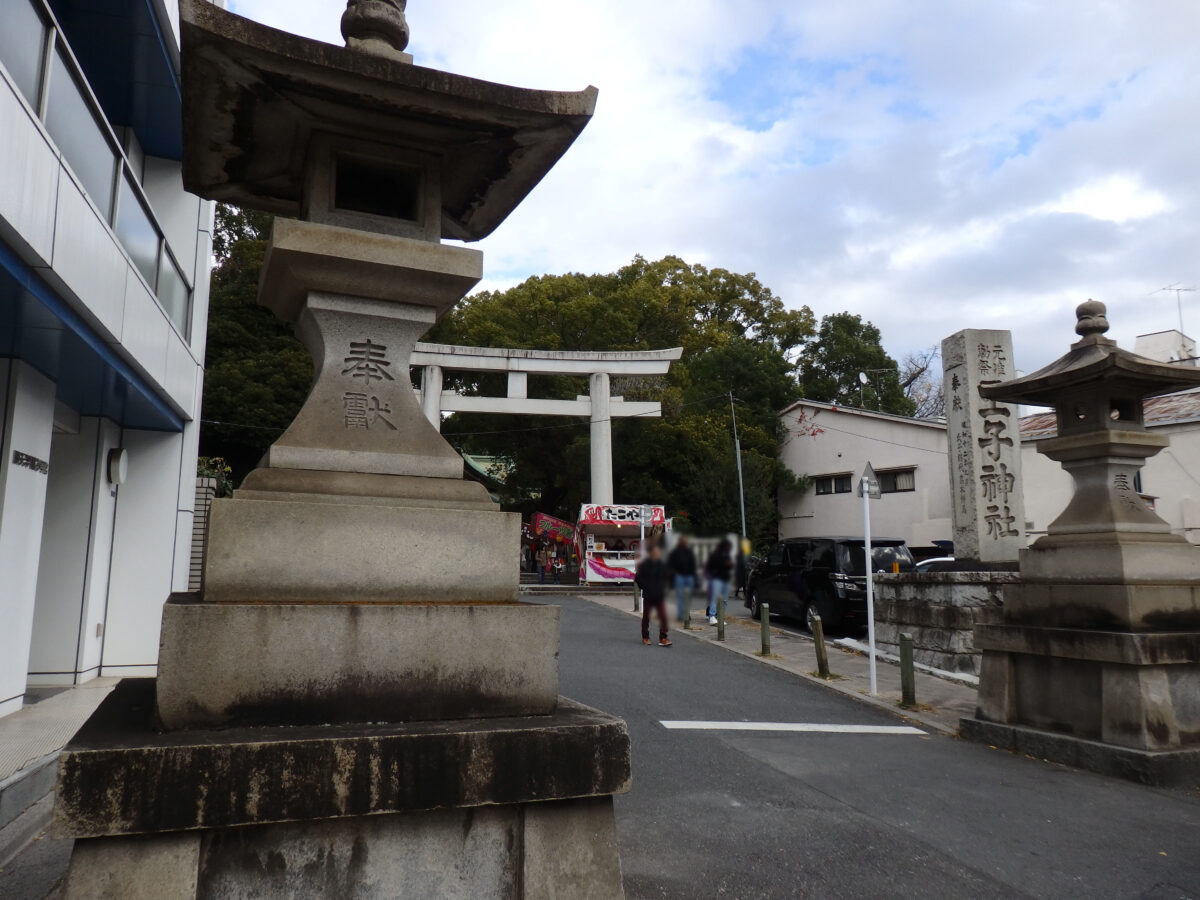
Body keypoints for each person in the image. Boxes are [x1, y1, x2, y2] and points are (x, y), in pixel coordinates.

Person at [636, 542, 671, 646]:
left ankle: (663, 638)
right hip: (648, 595)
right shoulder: (644, 565)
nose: (657, 553)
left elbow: (667, 576)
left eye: (658, 552)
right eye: (655, 552)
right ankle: (645, 637)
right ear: (651, 553)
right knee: (646, 616)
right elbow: (637, 578)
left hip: (659, 594)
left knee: (663, 616)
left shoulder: (662, 564)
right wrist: (646, 587)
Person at [666, 536, 698, 622]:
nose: (684, 543)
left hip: (689, 576)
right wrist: (674, 573)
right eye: (682, 541)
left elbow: (693, 564)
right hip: (679, 576)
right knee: (680, 596)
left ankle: (686, 613)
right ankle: (681, 615)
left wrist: (694, 576)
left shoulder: (689, 552)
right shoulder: (674, 553)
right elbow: (670, 565)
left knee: (688, 597)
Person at [705, 538, 734, 626]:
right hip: (716, 578)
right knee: (714, 597)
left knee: (724, 599)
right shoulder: (715, 555)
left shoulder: (727, 555)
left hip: (725, 578)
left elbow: (729, 566)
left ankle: (720, 616)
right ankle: (712, 616)